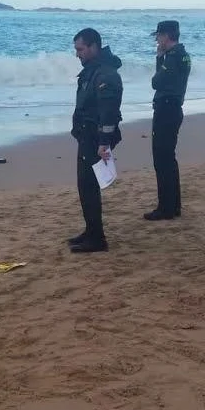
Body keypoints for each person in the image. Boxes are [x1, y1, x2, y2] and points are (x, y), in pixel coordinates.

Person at [67, 27, 123, 253]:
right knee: (85, 185)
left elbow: (109, 110)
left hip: (95, 137)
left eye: (80, 49)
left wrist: (103, 142)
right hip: (86, 134)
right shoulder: (92, 69)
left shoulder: (105, 74)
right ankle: (91, 230)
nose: (78, 54)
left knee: (89, 185)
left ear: (93, 46)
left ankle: (97, 238)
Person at [145, 20, 191, 220]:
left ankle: (166, 207)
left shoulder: (171, 58)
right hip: (174, 108)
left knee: (162, 159)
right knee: (169, 159)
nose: (156, 39)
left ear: (166, 36)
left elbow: (156, 82)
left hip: (166, 109)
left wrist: (158, 58)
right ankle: (173, 205)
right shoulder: (184, 55)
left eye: (158, 36)